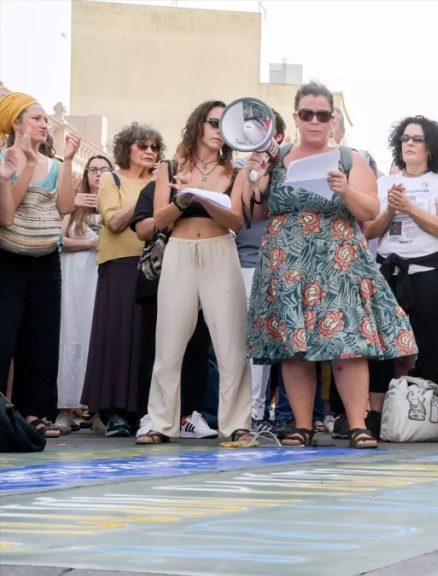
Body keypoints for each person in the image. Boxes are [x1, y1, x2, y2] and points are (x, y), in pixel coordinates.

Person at [243, 81, 414, 448]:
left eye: (323, 114)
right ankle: (301, 426)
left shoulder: (350, 160)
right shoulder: (278, 158)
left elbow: (370, 212)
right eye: (307, 114)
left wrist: (344, 189)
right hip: (286, 263)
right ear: (296, 117)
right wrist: (252, 175)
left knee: (346, 342)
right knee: (294, 347)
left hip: (338, 263)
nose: (315, 121)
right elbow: (255, 212)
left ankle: (357, 425)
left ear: (332, 118)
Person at [134, 100, 252, 445]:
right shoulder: (169, 167)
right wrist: (183, 199)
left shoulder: (237, 170)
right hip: (180, 252)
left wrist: (207, 198)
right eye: (215, 122)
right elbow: (159, 220)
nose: (220, 131)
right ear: (199, 125)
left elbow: (237, 221)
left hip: (221, 251)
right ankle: (160, 421)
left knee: (231, 345)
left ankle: (236, 423)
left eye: (226, 125)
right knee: (168, 344)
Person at [364, 115, 438, 431]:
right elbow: (369, 231)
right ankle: (377, 415)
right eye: (405, 138)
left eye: (417, 138)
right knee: (382, 346)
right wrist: (391, 209)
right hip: (389, 273)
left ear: (430, 146)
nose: (409, 143)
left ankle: (430, 415)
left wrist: (410, 208)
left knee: (426, 345)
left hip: (427, 273)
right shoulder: (383, 184)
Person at [0, 92, 80, 439]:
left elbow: (65, 207)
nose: (44, 124)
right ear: (16, 123)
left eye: (45, 119)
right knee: (5, 337)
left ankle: (35, 414)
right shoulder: (4, 161)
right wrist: (26, 164)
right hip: (9, 260)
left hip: (46, 259)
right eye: (36, 118)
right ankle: (3, 413)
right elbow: (6, 215)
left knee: (42, 338)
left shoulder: (58, 166)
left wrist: (68, 160)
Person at [81, 122, 161, 437]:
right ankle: (112, 412)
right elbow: (112, 220)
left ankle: (140, 411)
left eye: (154, 146)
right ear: (127, 148)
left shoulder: (160, 181)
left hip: (153, 267)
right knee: (115, 339)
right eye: (142, 145)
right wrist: (146, 200)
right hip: (118, 266)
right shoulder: (110, 179)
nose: (149, 151)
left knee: (144, 341)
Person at [129, 163, 214, 441]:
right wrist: (178, 204)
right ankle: (150, 416)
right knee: (155, 351)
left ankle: (188, 415)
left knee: (197, 349)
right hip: (160, 278)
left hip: (199, 275)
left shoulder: (210, 190)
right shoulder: (153, 189)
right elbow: (144, 229)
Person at [55, 153, 112, 432]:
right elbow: (58, 240)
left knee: (98, 340)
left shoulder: (115, 202)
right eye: (93, 170)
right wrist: (90, 243)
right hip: (76, 277)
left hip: (103, 278)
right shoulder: (74, 203)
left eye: (104, 169)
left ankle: (97, 410)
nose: (99, 174)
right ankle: (65, 408)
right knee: (71, 336)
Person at [237, 109, 287, 431]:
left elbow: (266, 210)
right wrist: (250, 174)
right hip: (238, 262)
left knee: (262, 344)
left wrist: (263, 173)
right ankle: (241, 410)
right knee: (237, 342)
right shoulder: (239, 168)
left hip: (271, 265)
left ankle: (256, 411)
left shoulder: (286, 168)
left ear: (278, 138)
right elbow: (244, 212)